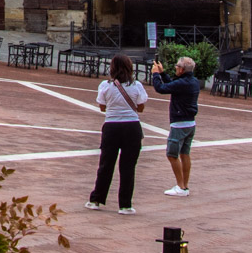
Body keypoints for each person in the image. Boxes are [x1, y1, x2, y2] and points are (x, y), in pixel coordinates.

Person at [86, 54, 148, 214]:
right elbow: (140, 107)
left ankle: (96, 199)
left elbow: (102, 106)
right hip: (132, 126)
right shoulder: (137, 86)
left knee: (106, 164)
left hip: (112, 126)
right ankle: (125, 204)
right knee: (128, 167)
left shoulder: (106, 85)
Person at [151, 55, 202, 196]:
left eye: (177, 66)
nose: (175, 68)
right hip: (190, 123)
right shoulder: (193, 81)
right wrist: (162, 73)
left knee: (172, 154)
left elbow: (161, 88)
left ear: (182, 69)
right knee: (185, 153)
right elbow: (173, 86)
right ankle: (184, 185)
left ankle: (180, 186)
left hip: (179, 124)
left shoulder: (183, 83)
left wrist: (155, 74)